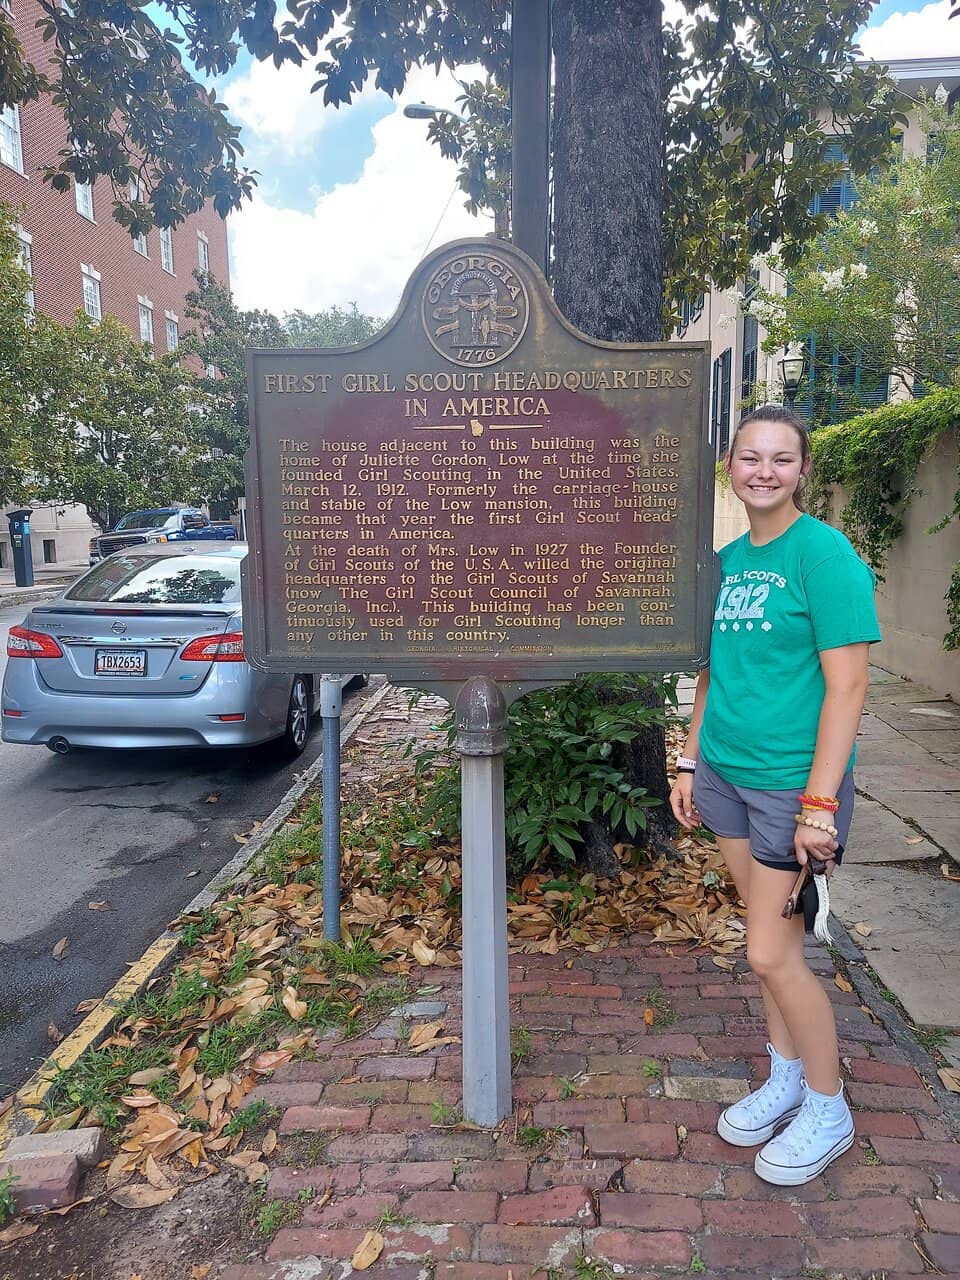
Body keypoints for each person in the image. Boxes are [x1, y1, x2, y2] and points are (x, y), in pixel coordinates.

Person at [670, 404, 881, 1186]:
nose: (764, 470)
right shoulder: (724, 562)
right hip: (724, 771)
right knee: (771, 954)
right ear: (731, 465)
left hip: (793, 787)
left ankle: (829, 1107)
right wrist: (690, 763)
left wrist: (820, 805)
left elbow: (849, 687)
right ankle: (786, 1077)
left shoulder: (824, 557)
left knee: (769, 951)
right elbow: (712, 673)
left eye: (781, 459)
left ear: (803, 471)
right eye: (750, 457)